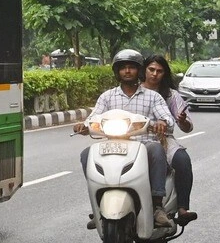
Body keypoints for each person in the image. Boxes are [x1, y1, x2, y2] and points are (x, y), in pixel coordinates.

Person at [74, 49, 176, 229]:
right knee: (86, 154)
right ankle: (98, 205)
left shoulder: (153, 97)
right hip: (113, 146)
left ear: (139, 71)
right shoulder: (107, 96)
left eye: (131, 67)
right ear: (117, 72)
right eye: (123, 68)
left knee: (157, 149)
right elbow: (94, 117)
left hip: (143, 145)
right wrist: (84, 125)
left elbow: (167, 119)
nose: (127, 71)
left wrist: (161, 122)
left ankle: (157, 204)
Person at [143, 54, 197, 225]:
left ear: (164, 74)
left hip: (163, 140)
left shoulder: (170, 95)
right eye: (151, 69)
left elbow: (187, 127)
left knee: (182, 159)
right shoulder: (133, 91)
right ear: (143, 70)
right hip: (133, 139)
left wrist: (182, 120)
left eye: (159, 71)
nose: (154, 74)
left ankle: (182, 208)